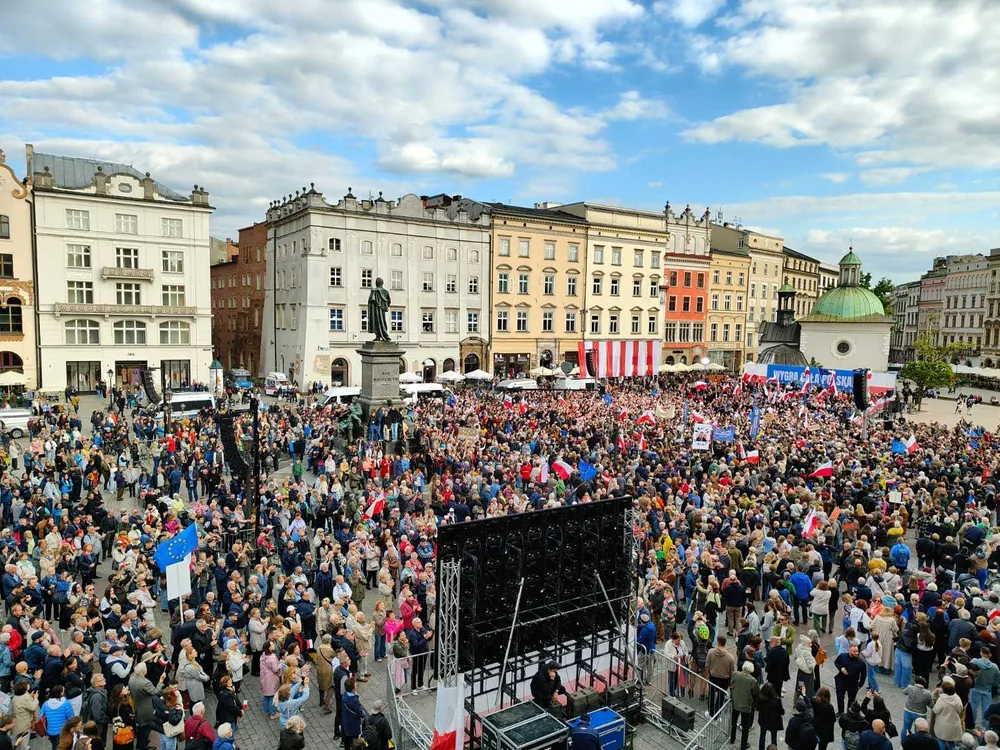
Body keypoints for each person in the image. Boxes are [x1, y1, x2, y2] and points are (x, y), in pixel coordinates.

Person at [127, 663, 160, 750]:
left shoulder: (131, 679)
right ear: (144, 672)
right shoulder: (145, 682)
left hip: (137, 707)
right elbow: (155, 692)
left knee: (140, 728)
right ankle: (143, 746)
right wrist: (161, 682)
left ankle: (139, 744)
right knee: (146, 728)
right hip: (146, 709)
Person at [730, 661, 759, 750]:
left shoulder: (735, 674)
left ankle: (732, 738)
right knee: (745, 727)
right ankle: (743, 745)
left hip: (735, 702)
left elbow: (732, 684)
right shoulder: (753, 680)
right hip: (746, 705)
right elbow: (756, 692)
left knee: (733, 722)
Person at [931, 678, 965, 750]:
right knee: (951, 741)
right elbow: (960, 709)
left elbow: (935, 710)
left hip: (942, 725)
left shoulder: (941, 700)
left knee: (941, 741)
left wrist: (935, 695)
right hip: (954, 724)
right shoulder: (957, 698)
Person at [38, 685, 75, 750]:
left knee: (55, 745)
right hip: (62, 732)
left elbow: (39, 717)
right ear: (61, 693)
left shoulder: (46, 703)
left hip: (50, 731)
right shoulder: (66, 703)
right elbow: (71, 718)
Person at [707, 635, 736, 717]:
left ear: (718, 642)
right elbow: (732, 671)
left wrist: (710, 673)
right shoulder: (730, 657)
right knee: (721, 696)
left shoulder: (710, 652)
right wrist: (730, 681)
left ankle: (710, 713)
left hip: (713, 676)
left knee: (711, 695)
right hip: (724, 679)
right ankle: (717, 715)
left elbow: (707, 665)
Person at [834, 646, 866, 715]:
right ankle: (840, 712)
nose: (857, 653)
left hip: (853, 684)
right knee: (839, 697)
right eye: (854, 651)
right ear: (849, 651)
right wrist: (841, 668)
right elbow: (836, 662)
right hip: (841, 681)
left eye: (857, 651)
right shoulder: (842, 656)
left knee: (851, 700)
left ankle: (849, 713)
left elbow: (863, 675)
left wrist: (860, 685)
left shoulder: (861, 662)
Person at [756, 682, 784, 750]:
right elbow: (781, 711)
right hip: (774, 720)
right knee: (774, 737)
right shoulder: (777, 699)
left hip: (763, 719)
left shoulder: (760, 698)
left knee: (762, 736)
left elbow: (757, 707)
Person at [340, 678, 366, 750]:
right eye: (355, 684)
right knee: (355, 742)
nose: (356, 685)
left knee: (347, 741)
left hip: (346, 721)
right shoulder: (352, 700)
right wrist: (363, 715)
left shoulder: (345, 695)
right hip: (353, 724)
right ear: (353, 688)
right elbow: (360, 712)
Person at [109, 684, 136, 750]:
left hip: (117, 731)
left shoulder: (114, 703)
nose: (126, 688)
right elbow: (126, 719)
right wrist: (132, 718)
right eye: (123, 688)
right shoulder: (122, 705)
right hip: (125, 731)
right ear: (120, 693)